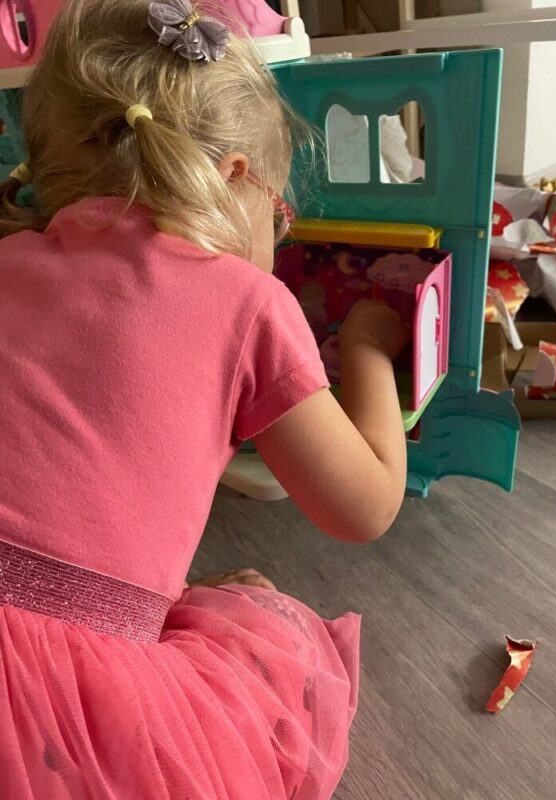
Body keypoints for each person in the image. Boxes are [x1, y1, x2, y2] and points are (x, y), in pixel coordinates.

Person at [0, 1, 407, 797]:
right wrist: (367, 352)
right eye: (278, 216)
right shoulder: (249, 302)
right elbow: (366, 507)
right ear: (234, 177)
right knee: (270, 634)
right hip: (58, 714)